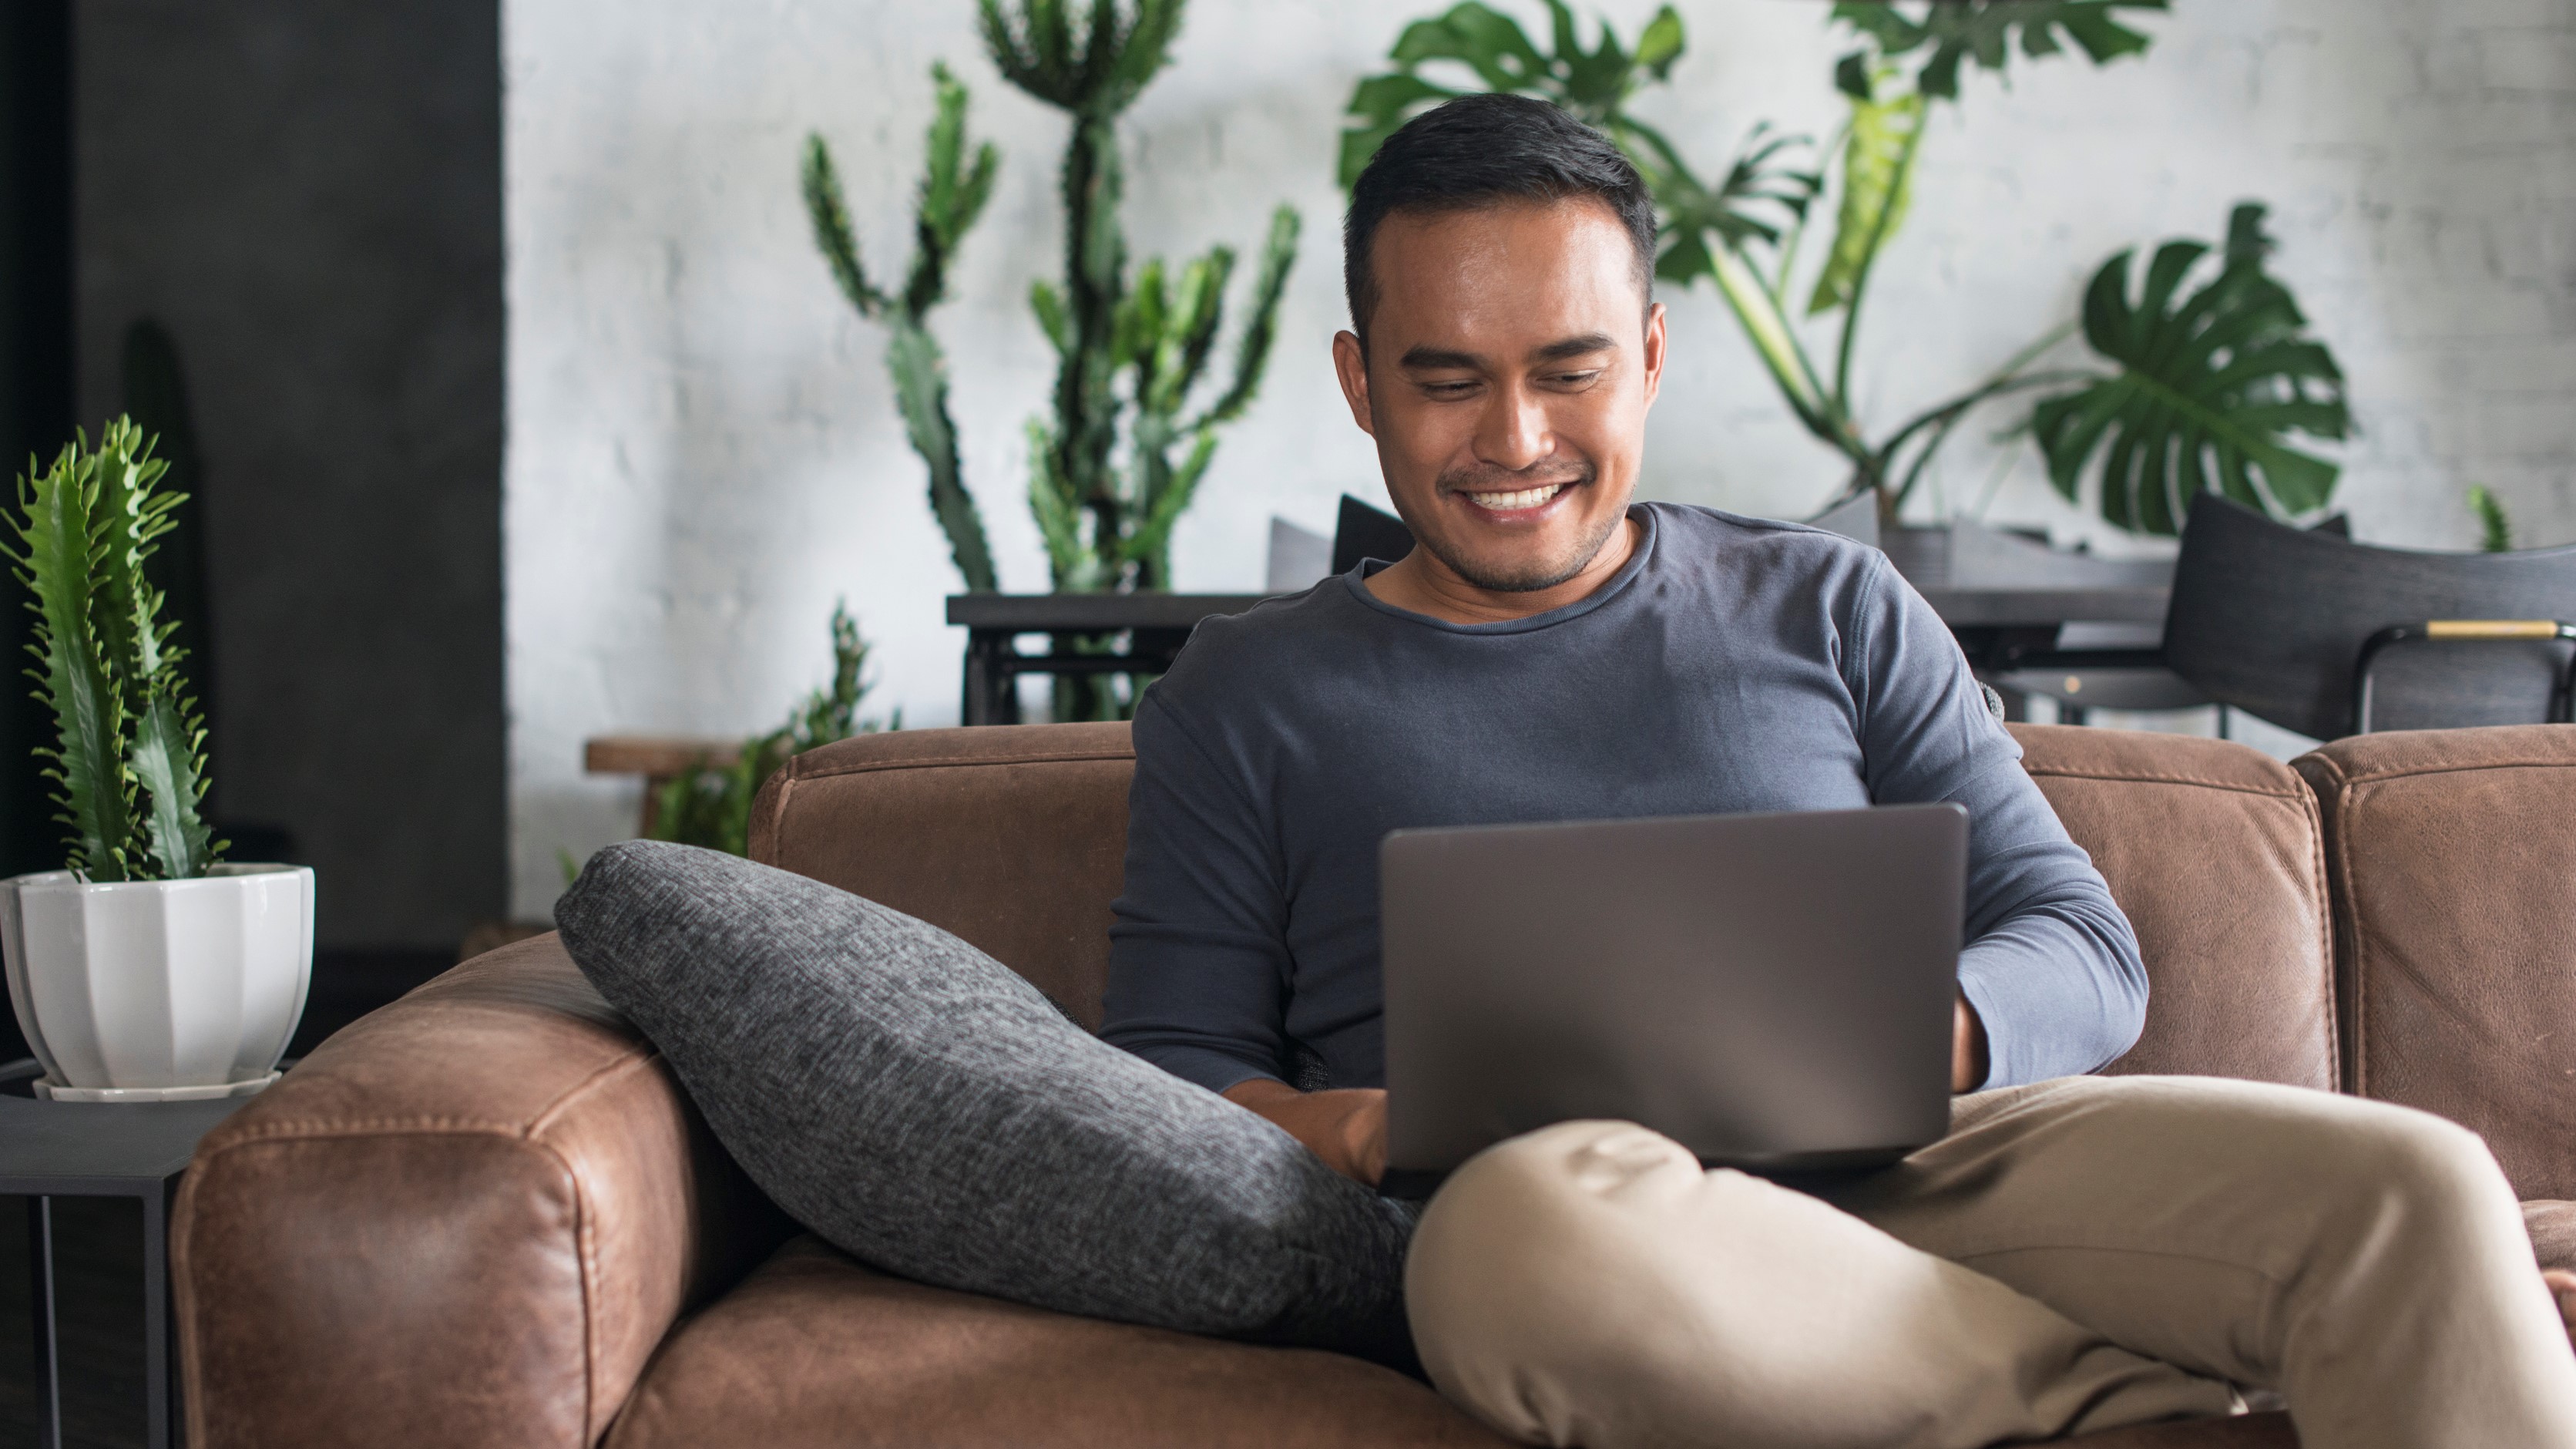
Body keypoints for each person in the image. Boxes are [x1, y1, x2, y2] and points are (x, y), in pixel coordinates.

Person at [559, 92, 2576, 1449]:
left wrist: (1937, 1034)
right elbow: (1163, 1074)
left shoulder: (1832, 606)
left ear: (1654, 354)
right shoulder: (1249, 700)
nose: (1510, 435)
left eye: (1566, 370)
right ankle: (2131, 1416)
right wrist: (1347, 1132)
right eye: (1445, 377)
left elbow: (2079, 939)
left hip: (1929, 1174)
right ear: (1361, 381)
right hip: (1583, 1220)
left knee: (2411, 1183)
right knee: (1521, 1239)